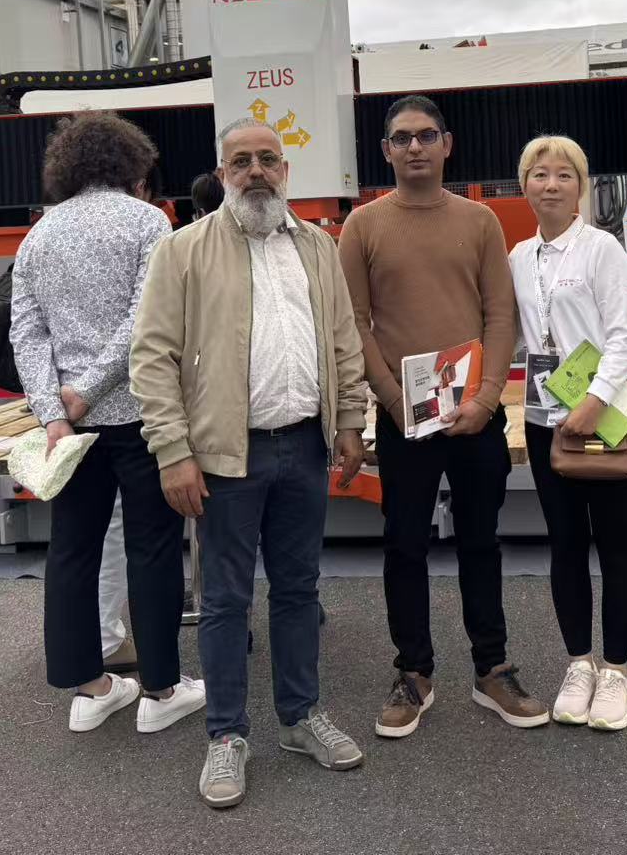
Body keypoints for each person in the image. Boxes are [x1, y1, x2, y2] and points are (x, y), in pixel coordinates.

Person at [133, 118, 370, 810]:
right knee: (225, 600)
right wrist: (173, 451)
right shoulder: (183, 250)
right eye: (241, 161)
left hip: (304, 445)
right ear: (223, 174)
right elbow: (152, 357)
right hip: (225, 456)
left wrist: (350, 420)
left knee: (298, 591)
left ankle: (299, 717)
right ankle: (226, 735)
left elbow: (342, 339)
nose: (256, 171)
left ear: (286, 171)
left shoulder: (317, 247)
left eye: (268, 159)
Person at [338, 94, 547, 737]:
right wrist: (393, 399)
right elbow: (355, 323)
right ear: (386, 152)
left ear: (447, 144)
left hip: (474, 415)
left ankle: (492, 668)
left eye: (427, 136)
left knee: (481, 541)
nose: (416, 147)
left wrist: (486, 398)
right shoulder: (363, 227)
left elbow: (499, 315)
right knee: (404, 545)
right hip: (403, 417)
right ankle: (413, 671)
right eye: (402, 138)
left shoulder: (480, 222)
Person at [9, 112, 203, 735]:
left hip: (70, 432)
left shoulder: (38, 236)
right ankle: (161, 688)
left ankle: (89, 688)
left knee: (72, 549)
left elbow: (26, 332)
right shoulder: (148, 223)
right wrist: (89, 391)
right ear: (132, 164)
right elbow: (146, 321)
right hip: (142, 413)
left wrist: (53, 410)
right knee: (152, 548)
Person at [509, 135, 627, 731]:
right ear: (525, 186)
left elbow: (623, 335)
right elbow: (517, 336)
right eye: (539, 174)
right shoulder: (518, 256)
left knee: (615, 546)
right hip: (545, 421)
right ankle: (579, 664)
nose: (551, 184)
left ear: (581, 186)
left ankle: (615, 672)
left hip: (608, 418)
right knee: (564, 544)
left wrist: (594, 401)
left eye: (565, 175)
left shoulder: (601, 248)